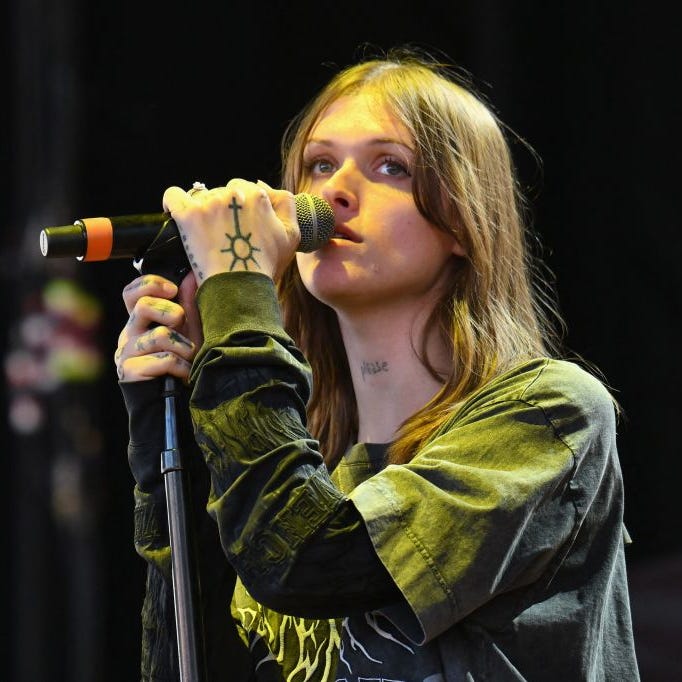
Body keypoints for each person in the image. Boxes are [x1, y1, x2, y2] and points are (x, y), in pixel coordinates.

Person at [115, 48, 640, 681]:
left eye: (389, 166)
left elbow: (305, 558)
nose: (334, 190)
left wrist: (240, 296)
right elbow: (182, 664)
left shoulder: (548, 418)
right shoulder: (292, 460)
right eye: (319, 164)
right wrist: (170, 415)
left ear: (462, 220)